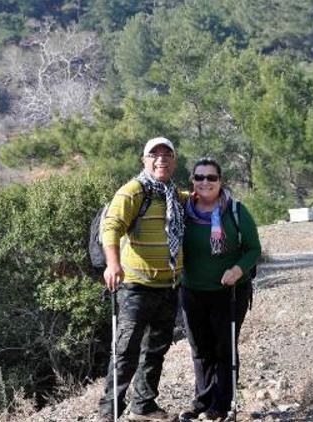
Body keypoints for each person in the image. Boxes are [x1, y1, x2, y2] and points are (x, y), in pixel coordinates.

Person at [98, 137, 186, 422]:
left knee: (156, 350)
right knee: (125, 351)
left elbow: (197, 201)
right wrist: (112, 264)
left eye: (167, 154)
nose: (161, 159)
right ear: (144, 160)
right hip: (136, 286)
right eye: (154, 155)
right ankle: (109, 412)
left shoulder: (172, 194)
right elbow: (110, 226)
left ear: (174, 160)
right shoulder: (133, 191)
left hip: (168, 286)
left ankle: (143, 406)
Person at [178, 158, 261, 421]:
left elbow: (253, 249)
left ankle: (222, 404)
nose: (205, 182)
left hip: (230, 292)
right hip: (192, 290)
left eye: (211, 178)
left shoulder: (236, 211)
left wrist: (237, 270)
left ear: (220, 181)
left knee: (224, 348)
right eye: (199, 177)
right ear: (192, 181)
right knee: (200, 348)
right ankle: (202, 401)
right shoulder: (182, 211)